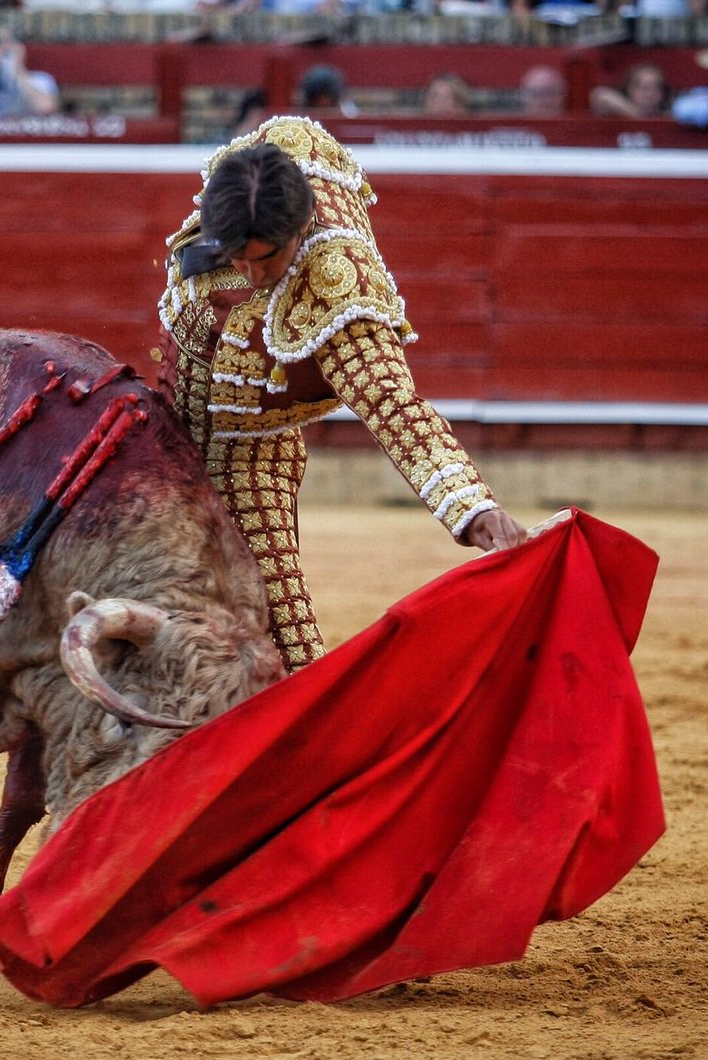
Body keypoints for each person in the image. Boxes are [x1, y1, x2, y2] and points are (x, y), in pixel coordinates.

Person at [153, 117, 527, 670]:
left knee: (279, 637)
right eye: (238, 257)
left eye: (268, 259)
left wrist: (472, 507)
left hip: (247, 449)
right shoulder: (263, 171)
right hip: (165, 422)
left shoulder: (336, 284)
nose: (253, 275)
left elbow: (392, 404)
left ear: (302, 229)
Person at [590, 62, 669, 119]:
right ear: (629, 89)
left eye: (656, 87)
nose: (649, 93)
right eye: (643, 88)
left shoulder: (668, 116)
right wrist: (637, 114)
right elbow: (600, 95)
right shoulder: (617, 113)